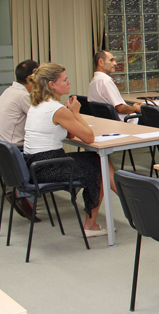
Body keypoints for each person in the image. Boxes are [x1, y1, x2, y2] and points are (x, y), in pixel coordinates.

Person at [24, 63, 117, 237]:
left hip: (35, 164)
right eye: (65, 80)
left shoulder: (38, 105)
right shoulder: (56, 109)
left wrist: (71, 115)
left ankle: (126, 199)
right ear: (52, 84)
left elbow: (70, 134)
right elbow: (89, 137)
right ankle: (93, 224)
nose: (69, 83)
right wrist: (75, 113)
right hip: (48, 167)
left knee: (96, 160)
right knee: (98, 164)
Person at [0, 60, 39, 222]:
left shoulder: (8, 91)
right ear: (33, 77)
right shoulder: (23, 95)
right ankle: (24, 196)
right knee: (47, 153)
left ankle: (19, 193)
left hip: (4, 150)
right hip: (16, 150)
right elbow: (41, 117)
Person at [88, 51, 142, 123]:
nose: (115, 63)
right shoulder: (106, 81)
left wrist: (132, 107)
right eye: (111, 60)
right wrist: (135, 108)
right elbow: (120, 108)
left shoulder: (93, 82)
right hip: (126, 122)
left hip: (106, 123)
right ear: (101, 62)